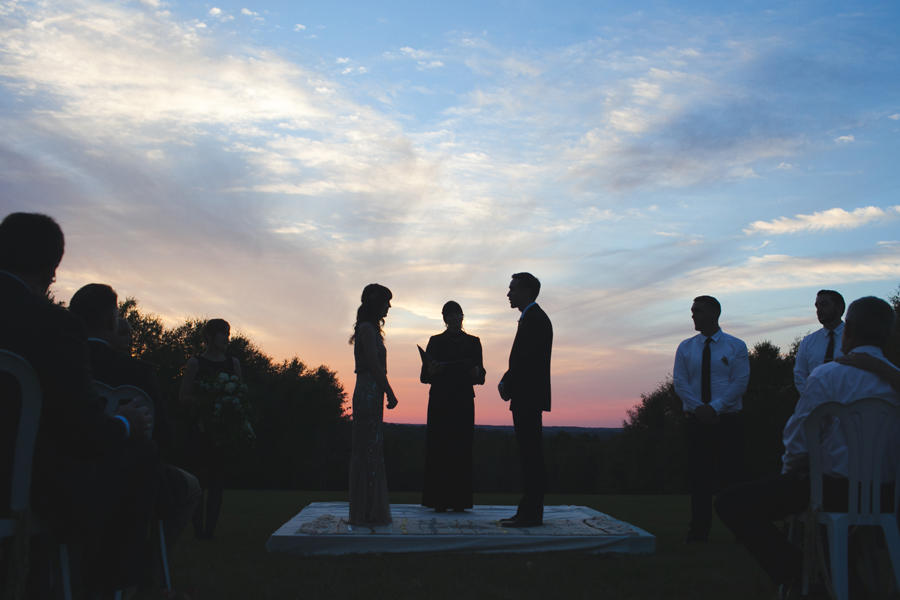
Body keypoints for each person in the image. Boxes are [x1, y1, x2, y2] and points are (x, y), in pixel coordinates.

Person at [0, 213, 152, 598]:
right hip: (23, 488)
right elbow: (83, 433)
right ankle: (107, 586)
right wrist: (124, 423)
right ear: (52, 271)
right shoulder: (54, 325)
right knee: (141, 454)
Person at [715, 296, 900, 594]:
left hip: (831, 492)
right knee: (826, 517)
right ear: (887, 334)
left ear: (848, 328)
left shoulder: (827, 375)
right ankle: (846, 585)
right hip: (888, 495)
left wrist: (789, 476)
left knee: (730, 503)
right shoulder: (895, 381)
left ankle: (801, 577)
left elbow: (799, 442)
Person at [69, 283, 201, 568]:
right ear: (111, 322)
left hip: (63, 473)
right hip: (126, 476)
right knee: (190, 487)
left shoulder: (59, 362)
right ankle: (150, 568)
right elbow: (162, 434)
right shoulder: (136, 370)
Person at [673, 295, 750, 544]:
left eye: (698, 310)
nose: (693, 315)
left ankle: (742, 533)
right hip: (696, 422)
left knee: (734, 479)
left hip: (727, 421)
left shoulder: (735, 346)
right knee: (699, 480)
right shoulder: (685, 347)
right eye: (692, 310)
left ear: (714, 313)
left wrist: (715, 408)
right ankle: (698, 533)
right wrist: (701, 410)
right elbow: (681, 383)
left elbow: (739, 382)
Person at [179, 318, 242, 540]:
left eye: (228, 333)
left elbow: (239, 394)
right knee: (198, 482)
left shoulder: (233, 363)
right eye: (223, 333)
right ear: (209, 336)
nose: (227, 338)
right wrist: (207, 400)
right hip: (199, 429)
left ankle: (210, 532)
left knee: (217, 482)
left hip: (221, 430)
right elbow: (183, 397)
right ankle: (198, 532)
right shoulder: (195, 363)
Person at [420, 301, 486, 512]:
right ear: (445, 318)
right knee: (439, 448)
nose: (456, 317)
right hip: (440, 401)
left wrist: (477, 373)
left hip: (463, 401)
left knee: (461, 448)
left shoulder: (474, 342)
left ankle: (460, 500)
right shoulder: (435, 341)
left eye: (459, 313)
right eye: (452, 314)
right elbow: (424, 376)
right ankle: (438, 500)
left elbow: (481, 375)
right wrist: (432, 370)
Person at [498, 273, 552, 528]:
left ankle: (531, 514)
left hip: (528, 397)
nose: (509, 294)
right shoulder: (531, 318)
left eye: (513, 289)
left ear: (527, 292)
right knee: (528, 454)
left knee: (531, 455)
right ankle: (527, 511)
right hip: (526, 396)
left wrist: (507, 383)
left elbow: (526, 361)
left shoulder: (535, 320)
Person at [348, 283, 398, 525]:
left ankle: (368, 507)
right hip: (368, 392)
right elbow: (374, 366)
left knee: (370, 448)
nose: (389, 306)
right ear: (375, 303)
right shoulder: (368, 330)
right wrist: (390, 392)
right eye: (386, 301)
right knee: (368, 449)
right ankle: (367, 510)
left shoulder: (369, 329)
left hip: (371, 392)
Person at [794, 290, 845, 394]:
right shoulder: (808, 342)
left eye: (824, 305)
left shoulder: (856, 338)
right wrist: (811, 398)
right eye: (817, 306)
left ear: (839, 307)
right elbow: (800, 374)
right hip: (816, 405)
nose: (819, 310)